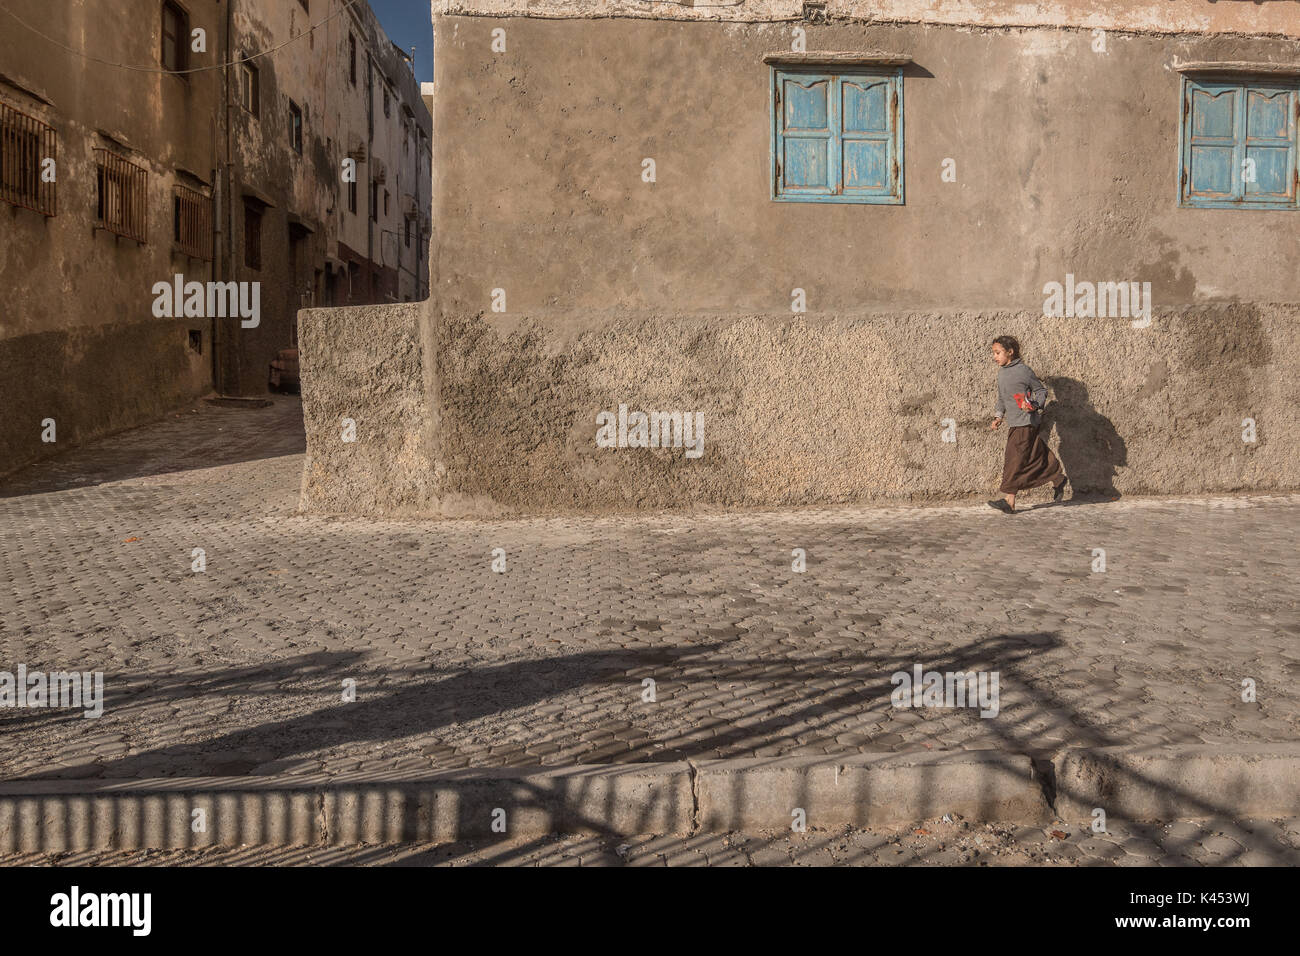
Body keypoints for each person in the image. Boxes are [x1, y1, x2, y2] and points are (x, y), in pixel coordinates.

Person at [988, 336, 1067, 513]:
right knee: (1035, 456)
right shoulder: (1001, 374)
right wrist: (998, 416)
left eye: (998, 353)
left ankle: (1010, 501)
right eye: (993, 353)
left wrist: (1034, 405)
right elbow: (1002, 398)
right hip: (1014, 422)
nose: (995, 357)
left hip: (1026, 421)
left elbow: (1040, 390)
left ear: (1010, 352)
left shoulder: (1024, 371)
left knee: (1013, 459)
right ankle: (1058, 478)